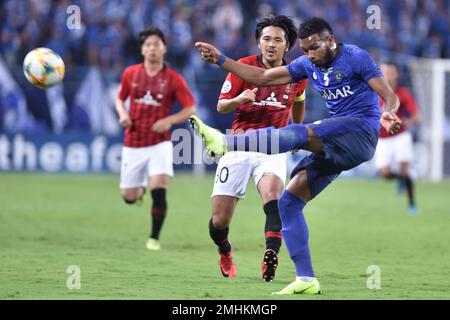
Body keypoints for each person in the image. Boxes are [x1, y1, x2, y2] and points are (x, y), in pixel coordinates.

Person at [191, 17, 401, 295]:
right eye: (304, 49)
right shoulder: (306, 64)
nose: (310, 55)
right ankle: (306, 278)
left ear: (330, 41)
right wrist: (221, 59)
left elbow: (389, 95)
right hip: (336, 146)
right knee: (289, 202)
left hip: (361, 131)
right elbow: (261, 77)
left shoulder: (356, 58)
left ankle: (225, 142)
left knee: (298, 132)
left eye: (314, 48)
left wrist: (389, 112)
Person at [209, 15, 307, 281]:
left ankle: (270, 255)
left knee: (273, 196)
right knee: (219, 222)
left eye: (278, 40)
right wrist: (240, 98)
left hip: (273, 146)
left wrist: (296, 132)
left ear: (287, 46)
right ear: (259, 43)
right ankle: (225, 249)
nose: (271, 44)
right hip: (239, 144)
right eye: (266, 39)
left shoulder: (296, 73)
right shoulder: (243, 67)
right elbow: (221, 105)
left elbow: (299, 100)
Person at [116, 27, 196, 251]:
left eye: (156, 44)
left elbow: (190, 108)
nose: (152, 48)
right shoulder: (130, 74)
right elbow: (119, 99)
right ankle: (138, 191)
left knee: (159, 189)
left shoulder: (173, 78)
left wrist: (170, 120)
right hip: (133, 141)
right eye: (148, 45)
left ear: (164, 49)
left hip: (160, 142)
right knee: (129, 197)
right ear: (142, 50)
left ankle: (154, 238)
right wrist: (123, 114)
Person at [375, 62, 420, 214]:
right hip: (382, 138)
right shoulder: (374, 92)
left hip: (400, 136)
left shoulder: (402, 93)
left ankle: (412, 205)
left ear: (396, 74)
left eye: (390, 72)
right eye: (385, 72)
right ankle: (400, 179)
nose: (388, 75)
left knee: (404, 169)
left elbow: (416, 115)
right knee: (385, 173)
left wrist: (406, 122)